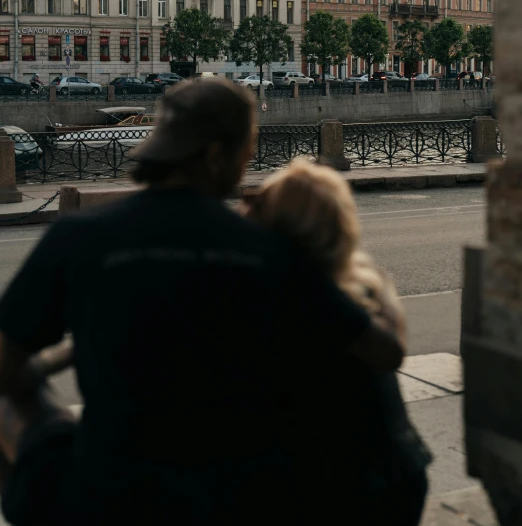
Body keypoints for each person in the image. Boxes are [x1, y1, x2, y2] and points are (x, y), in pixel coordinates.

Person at [0, 78, 404, 526]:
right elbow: (383, 350)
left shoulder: (77, 237)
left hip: (105, 494)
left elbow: (6, 360)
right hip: (240, 496)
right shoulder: (270, 252)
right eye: (246, 153)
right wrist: (381, 291)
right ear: (216, 155)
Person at [244, 160, 431, 526]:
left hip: (349, 487)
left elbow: (388, 349)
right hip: (390, 473)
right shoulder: (354, 286)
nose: (246, 208)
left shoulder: (302, 292)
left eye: (258, 200)